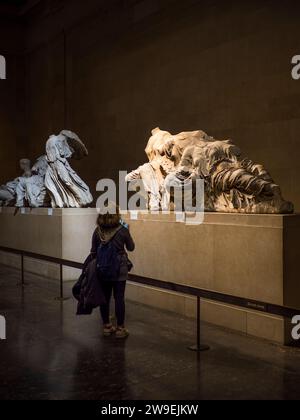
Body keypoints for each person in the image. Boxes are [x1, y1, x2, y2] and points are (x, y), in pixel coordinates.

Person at [91, 204, 135, 339]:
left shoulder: (97, 231)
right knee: (119, 298)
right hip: (119, 268)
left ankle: (107, 326)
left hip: (102, 269)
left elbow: (93, 252)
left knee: (104, 298)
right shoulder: (122, 230)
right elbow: (131, 247)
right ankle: (121, 328)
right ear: (116, 213)